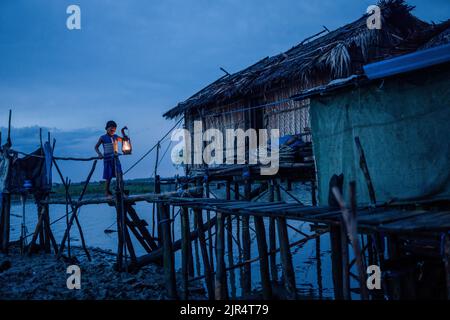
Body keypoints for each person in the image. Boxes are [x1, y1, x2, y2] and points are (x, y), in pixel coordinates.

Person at [95, 120, 123, 197]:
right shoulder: (103, 138)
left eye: (114, 129)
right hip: (107, 159)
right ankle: (106, 192)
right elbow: (96, 147)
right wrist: (99, 154)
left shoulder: (116, 137)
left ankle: (120, 190)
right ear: (107, 128)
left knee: (119, 174)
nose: (112, 131)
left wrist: (123, 132)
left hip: (116, 159)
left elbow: (124, 140)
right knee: (108, 176)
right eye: (111, 129)